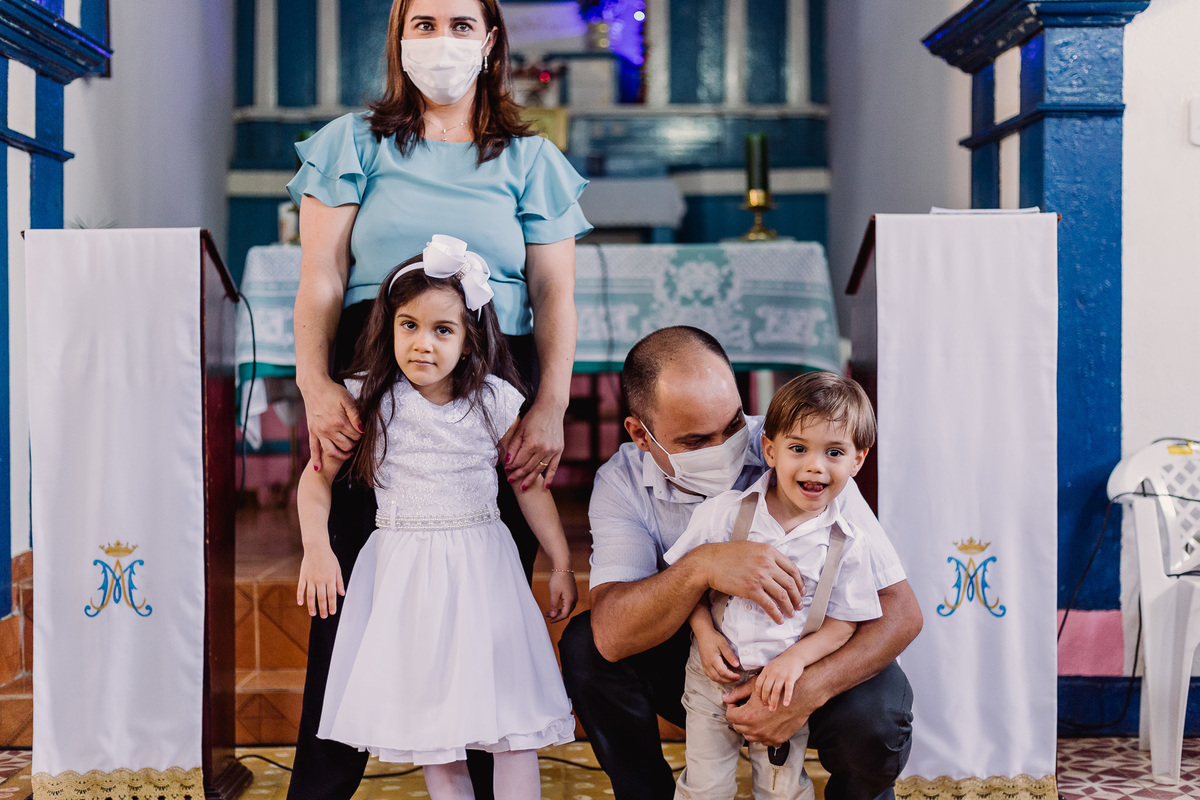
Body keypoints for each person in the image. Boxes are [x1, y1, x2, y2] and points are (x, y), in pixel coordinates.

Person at [285, 0, 590, 796]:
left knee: (487, 596)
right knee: (346, 593)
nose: (441, 40)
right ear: (399, 38)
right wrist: (316, 384)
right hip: (373, 371)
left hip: (500, 374)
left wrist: (550, 403)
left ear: (490, 42)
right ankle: (321, 786)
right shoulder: (353, 143)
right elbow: (320, 276)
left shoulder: (530, 159)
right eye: (423, 23)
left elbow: (555, 294)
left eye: (460, 24)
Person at [558, 326, 922, 800]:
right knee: (586, 648)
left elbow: (901, 613)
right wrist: (702, 567)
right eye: (695, 440)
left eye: (732, 425)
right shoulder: (623, 484)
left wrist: (807, 688)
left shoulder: (801, 451)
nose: (729, 446)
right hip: (708, 663)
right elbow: (611, 631)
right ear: (639, 435)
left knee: (876, 720)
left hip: (804, 653)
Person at [295, 237, 578, 799]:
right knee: (434, 728)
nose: (422, 344)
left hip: (483, 573)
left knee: (511, 724)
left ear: (471, 339)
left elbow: (528, 486)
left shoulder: (494, 400)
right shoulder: (368, 400)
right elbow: (315, 478)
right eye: (409, 326)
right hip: (408, 579)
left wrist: (563, 560)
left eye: (442, 330)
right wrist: (317, 549)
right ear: (389, 326)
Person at [664, 372, 882, 799]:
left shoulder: (848, 540)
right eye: (798, 449)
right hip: (713, 679)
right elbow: (685, 581)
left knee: (781, 788)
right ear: (770, 449)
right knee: (705, 786)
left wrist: (795, 661)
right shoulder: (725, 513)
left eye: (834, 452)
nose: (815, 465)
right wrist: (705, 636)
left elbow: (844, 624)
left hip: (784, 686)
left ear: (858, 460)